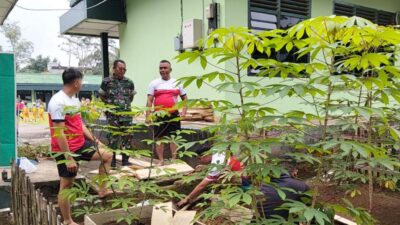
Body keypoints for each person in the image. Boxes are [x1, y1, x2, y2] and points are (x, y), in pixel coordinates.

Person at [48, 68, 113, 225]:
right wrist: (68, 157)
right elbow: (59, 132)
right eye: (81, 81)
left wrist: (95, 140)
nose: (82, 84)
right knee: (67, 184)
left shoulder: (74, 100)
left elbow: (79, 124)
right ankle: (68, 221)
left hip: (80, 144)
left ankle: (102, 189)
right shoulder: (58, 101)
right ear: (76, 82)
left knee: (108, 155)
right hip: (64, 149)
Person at [146, 60, 188, 166]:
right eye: (161, 68)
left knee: (173, 137)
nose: (163, 70)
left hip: (173, 114)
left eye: (165, 68)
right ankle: (161, 160)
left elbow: (185, 99)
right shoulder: (153, 83)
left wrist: (184, 112)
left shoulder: (177, 82)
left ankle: (174, 159)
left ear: (170, 69)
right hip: (158, 115)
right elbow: (149, 101)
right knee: (159, 138)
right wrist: (148, 116)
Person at [99, 59, 136, 168]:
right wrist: (109, 105)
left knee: (127, 137)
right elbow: (102, 95)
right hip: (113, 116)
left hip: (126, 116)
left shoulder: (129, 82)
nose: (122, 71)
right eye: (120, 68)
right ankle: (113, 161)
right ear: (114, 69)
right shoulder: (106, 82)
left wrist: (124, 105)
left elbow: (131, 97)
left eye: (124, 69)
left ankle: (125, 160)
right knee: (113, 138)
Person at [177, 152, 244, 208]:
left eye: (199, 159)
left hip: (242, 178)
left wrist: (187, 198)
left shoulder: (216, 165)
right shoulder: (217, 152)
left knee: (215, 181)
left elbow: (202, 185)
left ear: (205, 155)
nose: (199, 161)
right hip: (238, 171)